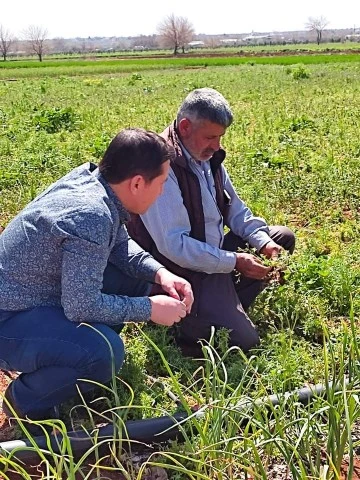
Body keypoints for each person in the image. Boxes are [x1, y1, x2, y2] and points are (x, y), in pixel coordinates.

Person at [0, 128, 193, 426]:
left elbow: (119, 245)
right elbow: (81, 306)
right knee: (106, 353)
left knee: (135, 279)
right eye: (162, 183)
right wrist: (151, 309)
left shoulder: (93, 184)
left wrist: (161, 273)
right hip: (9, 319)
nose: (162, 191)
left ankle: (74, 364)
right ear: (138, 183)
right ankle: (25, 400)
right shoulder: (91, 215)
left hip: (30, 296)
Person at [128, 88, 295, 355]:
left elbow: (235, 210)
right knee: (245, 341)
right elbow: (175, 246)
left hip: (212, 258)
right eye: (210, 137)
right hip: (181, 273)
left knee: (281, 238)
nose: (217, 146)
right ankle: (184, 321)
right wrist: (234, 261)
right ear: (185, 127)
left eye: (220, 137)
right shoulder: (160, 166)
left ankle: (221, 306)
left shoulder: (205, 155)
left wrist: (263, 243)